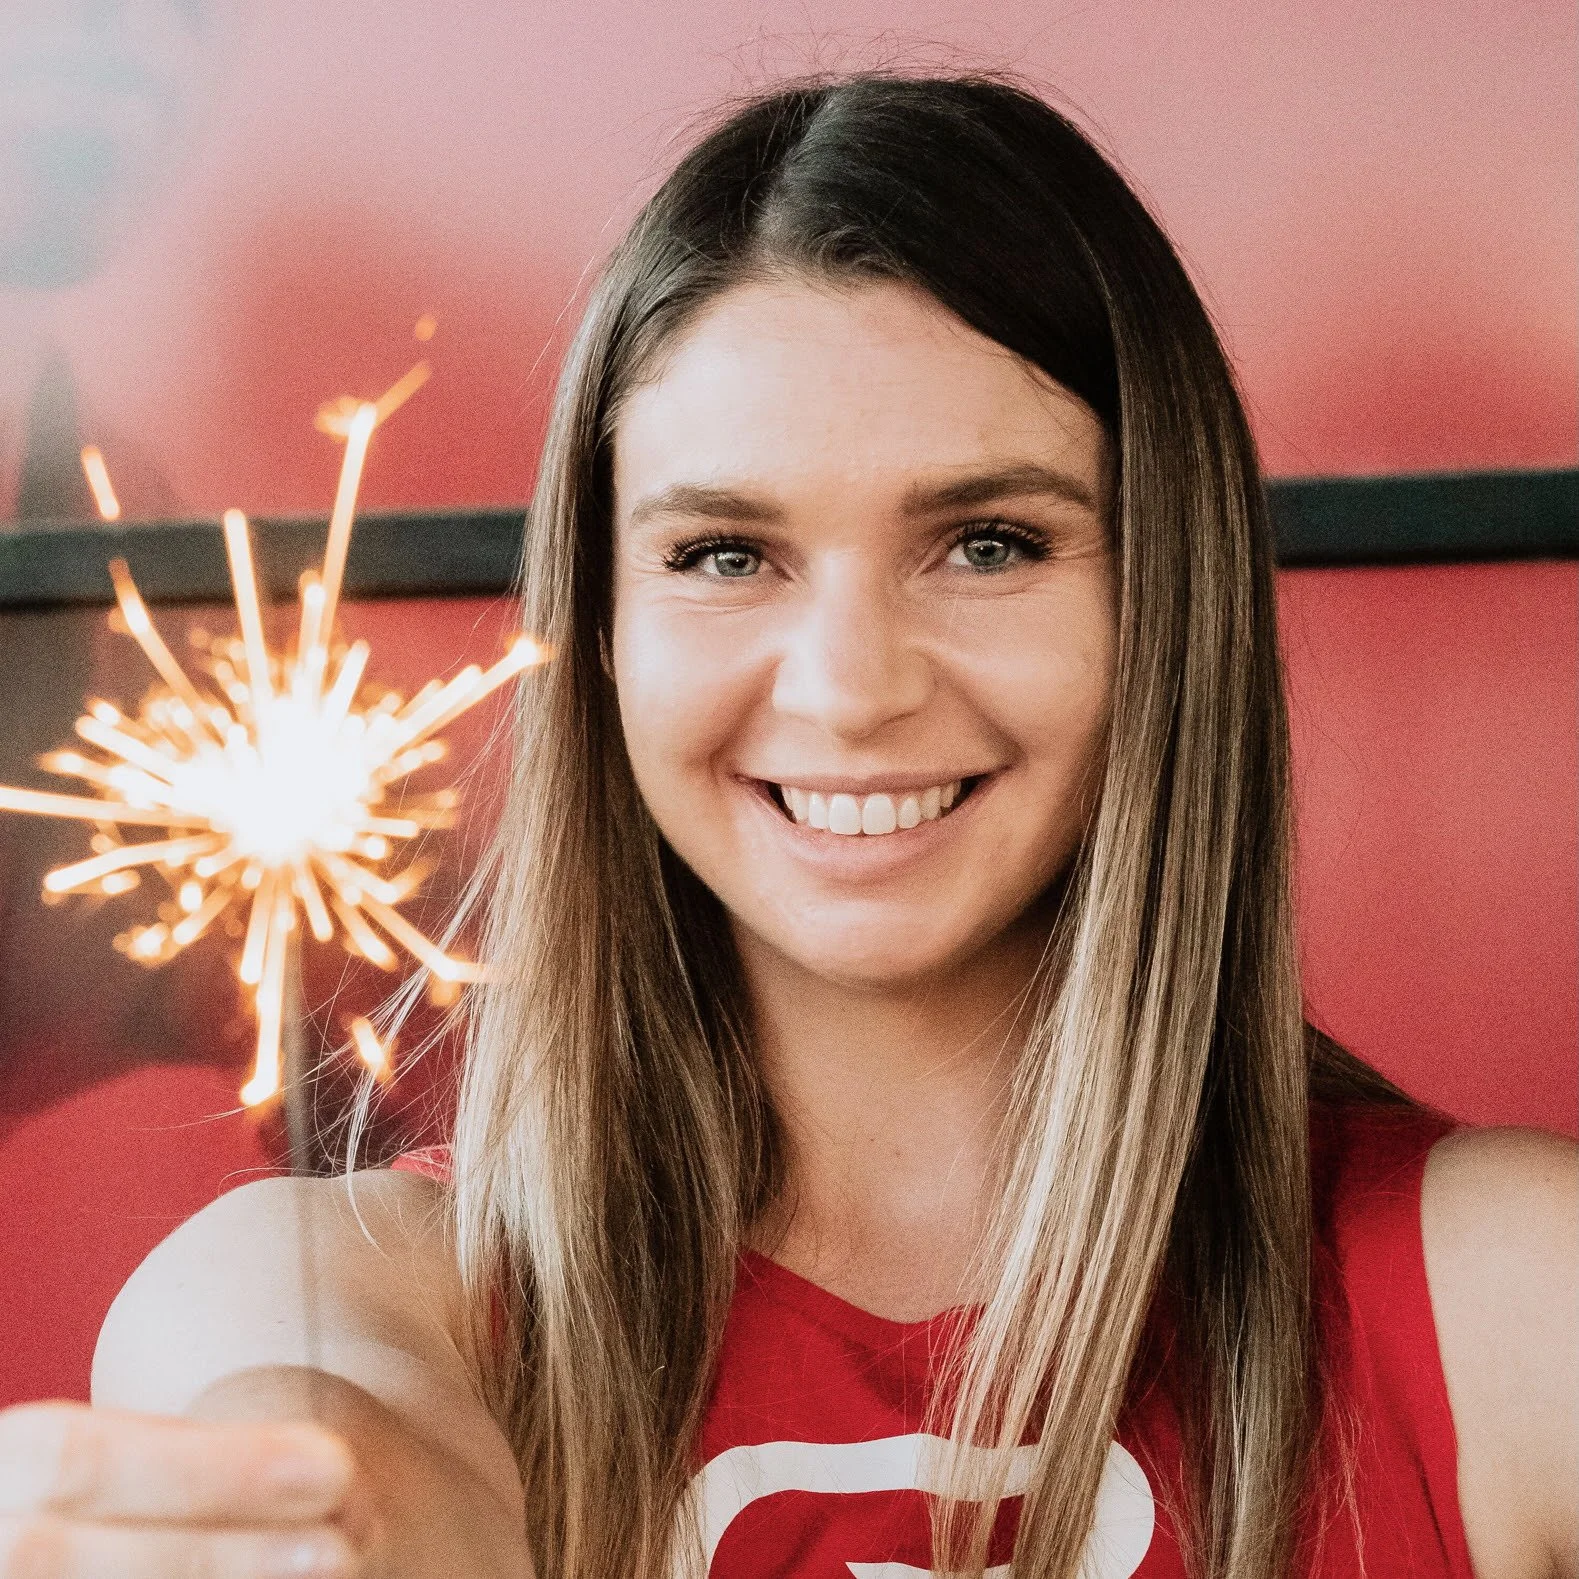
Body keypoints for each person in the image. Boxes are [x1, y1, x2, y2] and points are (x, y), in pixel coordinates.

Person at [0, 72, 1573, 1579]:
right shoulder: (323, 1292)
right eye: (724, 555)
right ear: (598, 627)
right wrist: (314, 1511)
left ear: (1170, 594)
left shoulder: (1510, 1301)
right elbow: (324, 1436)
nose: (849, 688)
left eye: (987, 541)